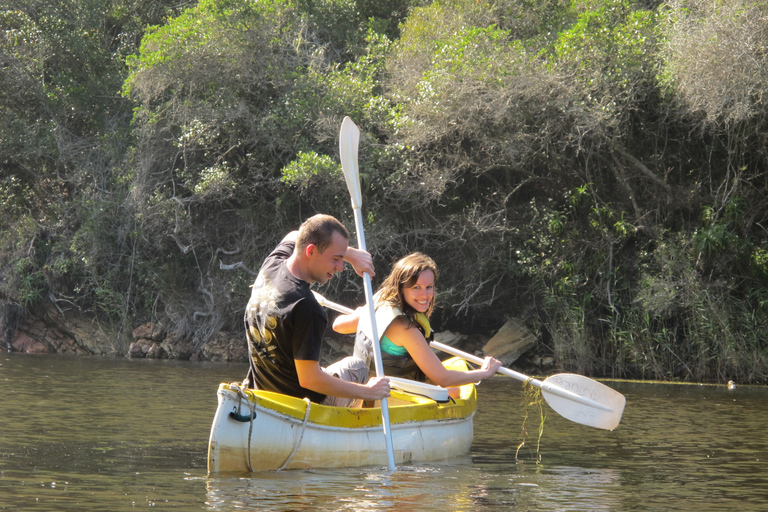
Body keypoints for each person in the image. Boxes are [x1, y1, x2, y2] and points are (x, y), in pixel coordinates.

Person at [243, 214, 390, 407]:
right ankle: (356, 430)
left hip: (263, 395)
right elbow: (310, 380)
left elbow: (296, 234)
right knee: (358, 367)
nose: (341, 267)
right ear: (311, 251)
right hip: (299, 406)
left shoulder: (272, 264)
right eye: (336, 259)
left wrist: (349, 254)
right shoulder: (307, 307)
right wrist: (369, 392)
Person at [333, 252, 501, 398]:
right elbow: (444, 378)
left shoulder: (379, 300)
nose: (425, 295)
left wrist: (362, 312)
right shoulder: (405, 328)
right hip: (384, 389)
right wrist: (484, 372)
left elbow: (338, 326)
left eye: (429, 287)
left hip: (365, 379)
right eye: (416, 287)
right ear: (401, 288)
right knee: (453, 391)